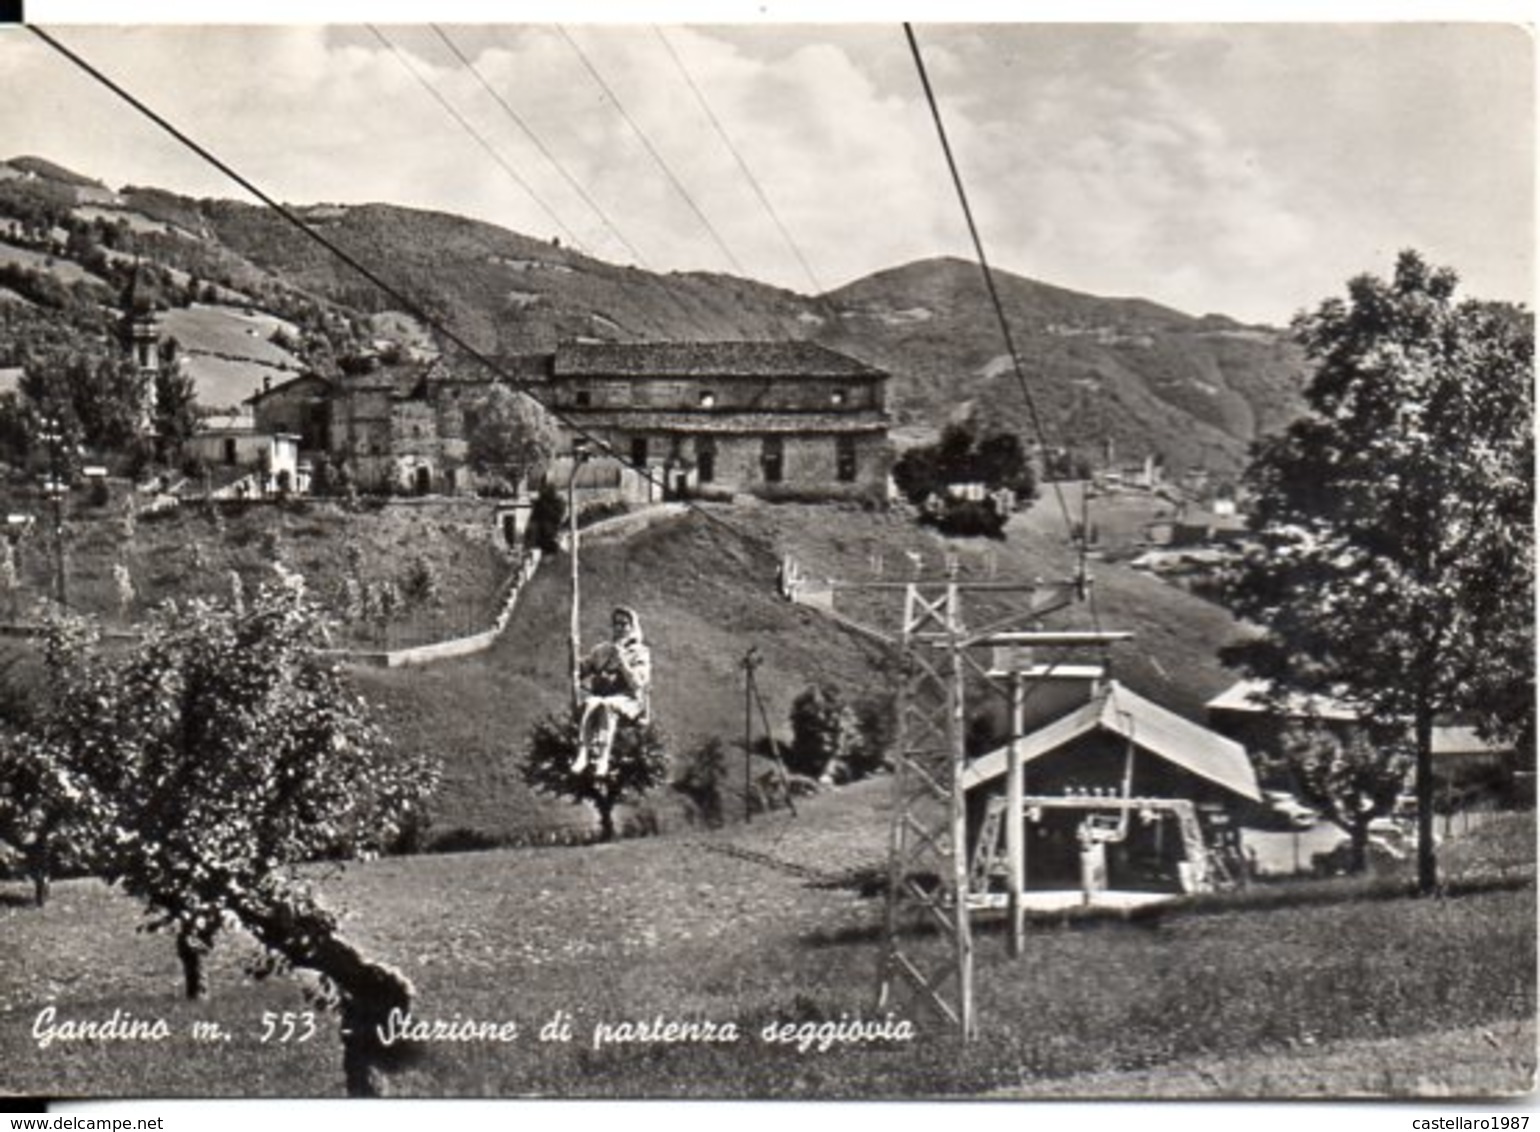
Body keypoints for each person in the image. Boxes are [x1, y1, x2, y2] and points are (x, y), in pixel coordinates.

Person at [572, 606, 652, 777]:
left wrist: (622, 660)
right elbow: (579, 671)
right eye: (616, 624)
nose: (620, 628)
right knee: (591, 703)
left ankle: (603, 758)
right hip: (604, 695)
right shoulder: (601, 650)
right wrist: (572, 652)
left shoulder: (640, 652)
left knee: (606, 706)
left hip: (628, 699)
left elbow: (637, 684)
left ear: (632, 627)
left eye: (624, 624)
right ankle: (583, 754)